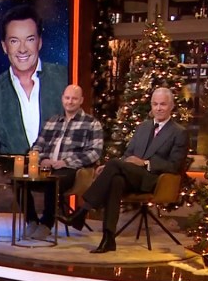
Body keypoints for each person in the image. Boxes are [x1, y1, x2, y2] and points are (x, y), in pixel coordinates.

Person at [63, 87, 188, 253]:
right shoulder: (143, 127)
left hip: (154, 180)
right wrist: (113, 166)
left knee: (114, 165)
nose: (158, 108)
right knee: (116, 180)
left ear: (171, 106)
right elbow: (128, 155)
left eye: (163, 104)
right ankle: (108, 239)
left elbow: (175, 165)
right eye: (155, 104)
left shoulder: (179, 132)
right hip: (132, 176)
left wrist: (145, 163)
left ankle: (83, 211)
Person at [22, 84, 103, 240]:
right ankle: (31, 220)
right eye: (67, 98)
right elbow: (37, 146)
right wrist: (42, 159)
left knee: (53, 181)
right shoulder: (52, 121)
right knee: (19, 181)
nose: (70, 102)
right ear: (62, 99)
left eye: (74, 99)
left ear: (81, 100)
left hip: (72, 170)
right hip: (46, 166)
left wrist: (65, 162)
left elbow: (95, 152)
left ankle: (46, 223)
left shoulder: (92, 123)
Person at [0, 5, 67, 154]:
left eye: (29, 39)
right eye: (14, 41)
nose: (22, 49)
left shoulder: (64, 78)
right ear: (4, 46)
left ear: (39, 42)